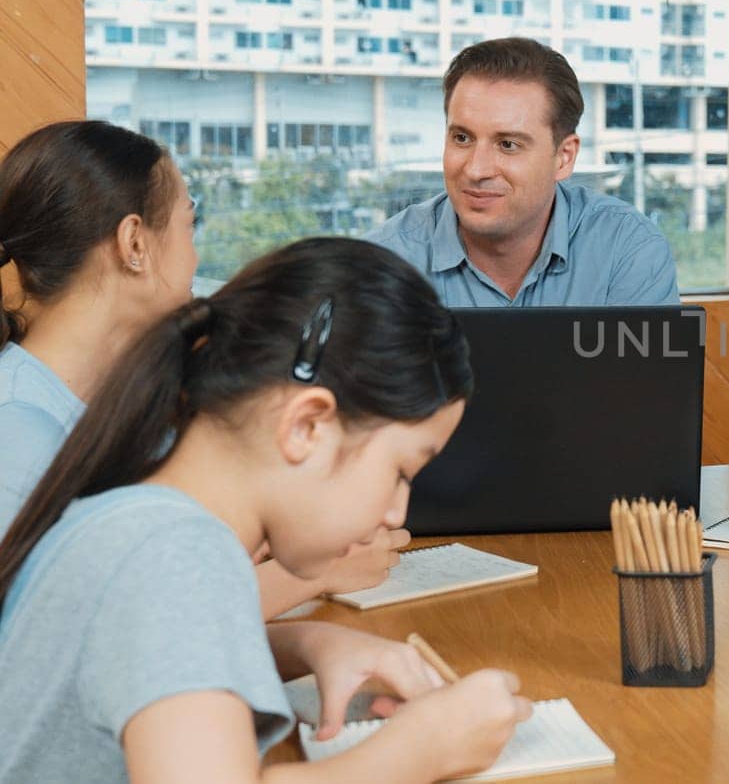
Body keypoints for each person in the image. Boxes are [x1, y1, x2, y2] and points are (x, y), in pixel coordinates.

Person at [0, 237, 529, 782]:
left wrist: (306, 642)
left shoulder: (143, 524)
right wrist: (420, 751)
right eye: (400, 473)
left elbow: (143, 655)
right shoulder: (172, 554)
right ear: (306, 426)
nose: (397, 514)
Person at [0, 120, 406, 618]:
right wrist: (314, 570)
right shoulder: (16, 428)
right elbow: (104, 633)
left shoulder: (135, 402)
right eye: (188, 224)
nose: (195, 257)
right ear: (134, 244)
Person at [367, 37, 680, 306]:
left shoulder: (627, 250)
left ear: (564, 157)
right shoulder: (385, 262)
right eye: (462, 138)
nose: (476, 169)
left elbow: (644, 378)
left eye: (508, 145)